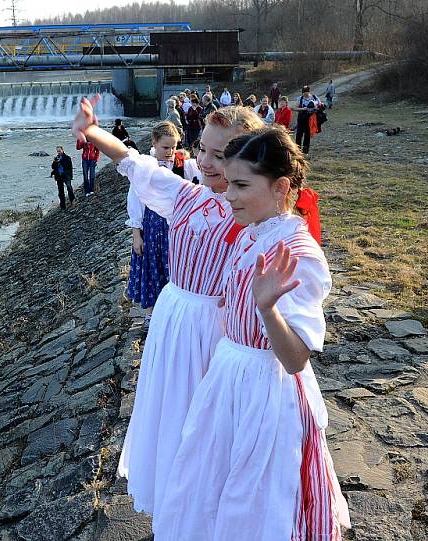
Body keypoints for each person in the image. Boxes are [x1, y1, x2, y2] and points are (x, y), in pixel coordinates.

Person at [72, 97, 265, 523]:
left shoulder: (251, 216)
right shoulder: (185, 197)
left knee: (205, 422)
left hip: (215, 332)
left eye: (222, 154)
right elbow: (133, 161)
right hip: (173, 322)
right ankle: (175, 505)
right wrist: (92, 130)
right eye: (203, 150)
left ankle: (207, 507)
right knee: (171, 412)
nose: (209, 161)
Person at [154, 127, 350, 540]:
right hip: (230, 375)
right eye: (229, 181)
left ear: (281, 187)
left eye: (241, 184)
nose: (229, 195)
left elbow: (295, 359)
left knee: (254, 499)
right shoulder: (253, 230)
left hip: (267, 390)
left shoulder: (297, 252)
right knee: (210, 480)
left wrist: (267, 307)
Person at [126, 121, 200, 324]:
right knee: (152, 267)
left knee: (175, 268)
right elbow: (135, 201)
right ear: (154, 143)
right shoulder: (145, 167)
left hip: (177, 226)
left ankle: (174, 315)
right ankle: (151, 315)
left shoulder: (183, 165)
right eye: (165, 147)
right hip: (151, 225)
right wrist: (136, 235)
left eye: (174, 147)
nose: (170, 151)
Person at [294, 86, 321, 154]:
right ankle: (298, 150)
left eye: (305, 92)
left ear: (308, 92)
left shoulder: (314, 97)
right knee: (299, 134)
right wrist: (304, 108)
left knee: (307, 134)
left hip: (310, 118)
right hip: (301, 118)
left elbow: (320, 105)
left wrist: (315, 106)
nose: (304, 94)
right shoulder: (300, 98)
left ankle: (305, 151)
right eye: (303, 93)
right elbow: (295, 108)